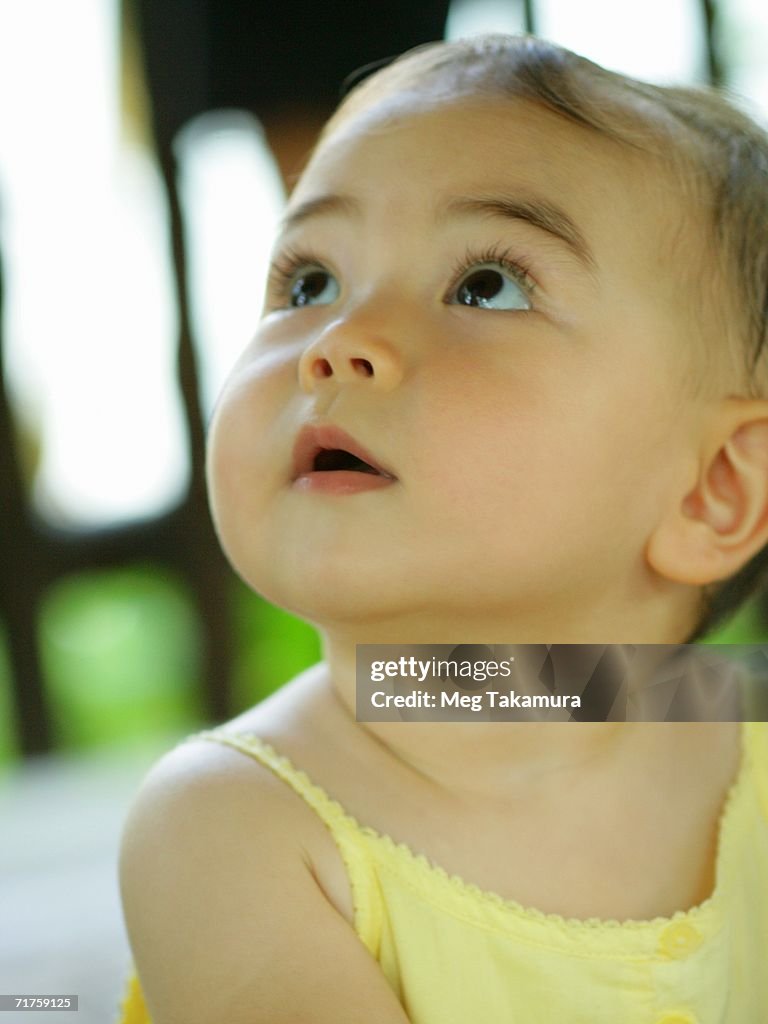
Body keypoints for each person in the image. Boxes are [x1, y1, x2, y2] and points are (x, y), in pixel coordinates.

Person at [117, 34, 768, 1024]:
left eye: (486, 286)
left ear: (711, 489)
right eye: (309, 283)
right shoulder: (230, 827)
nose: (338, 344)